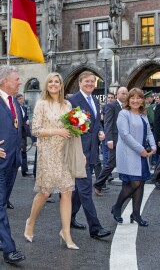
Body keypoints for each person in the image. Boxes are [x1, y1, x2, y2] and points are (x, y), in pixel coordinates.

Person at [24, 72, 78, 250]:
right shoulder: (41, 104)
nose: (54, 84)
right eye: (51, 82)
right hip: (47, 152)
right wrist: (57, 131)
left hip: (64, 152)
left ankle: (66, 233)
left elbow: (71, 126)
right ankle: (30, 222)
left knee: (67, 192)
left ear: (61, 85)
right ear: (47, 85)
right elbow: (35, 130)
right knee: (46, 192)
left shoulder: (67, 104)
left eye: (57, 82)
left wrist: (78, 127)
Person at [68, 71, 111, 239]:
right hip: (79, 152)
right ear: (80, 83)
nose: (90, 84)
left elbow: (96, 123)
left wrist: (100, 131)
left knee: (80, 191)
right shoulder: (72, 101)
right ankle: (95, 228)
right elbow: (70, 126)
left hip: (93, 151)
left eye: (92, 82)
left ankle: (69, 217)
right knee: (86, 190)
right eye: (86, 81)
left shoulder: (95, 100)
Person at [111, 88, 156, 226]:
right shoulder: (124, 114)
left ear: (143, 100)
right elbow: (125, 135)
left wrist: (153, 146)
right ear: (128, 100)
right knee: (134, 183)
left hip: (141, 153)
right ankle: (117, 207)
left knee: (140, 182)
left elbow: (148, 132)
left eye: (139, 98)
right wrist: (141, 149)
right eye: (133, 98)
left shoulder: (143, 115)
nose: (136, 100)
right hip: (128, 153)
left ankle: (136, 214)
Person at [0, 65, 26, 264]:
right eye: (16, 79)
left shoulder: (14, 102)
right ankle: (9, 249)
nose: (19, 82)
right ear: (4, 81)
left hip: (12, 162)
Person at [93, 87, 128, 196]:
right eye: (122, 93)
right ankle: (98, 185)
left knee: (126, 163)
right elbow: (108, 123)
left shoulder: (127, 107)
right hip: (115, 140)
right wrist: (109, 140)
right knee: (111, 164)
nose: (125, 95)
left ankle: (128, 187)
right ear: (117, 94)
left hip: (125, 140)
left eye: (126, 94)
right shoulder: (111, 105)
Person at [15, 93, 32, 177]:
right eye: (19, 99)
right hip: (18, 133)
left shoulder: (24, 108)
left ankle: (25, 171)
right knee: (21, 152)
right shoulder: (15, 108)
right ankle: (22, 170)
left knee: (24, 152)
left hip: (24, 132)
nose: (21, 100)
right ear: (16, 100)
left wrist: (28, 120)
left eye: (22, 98)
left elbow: (26, 117)